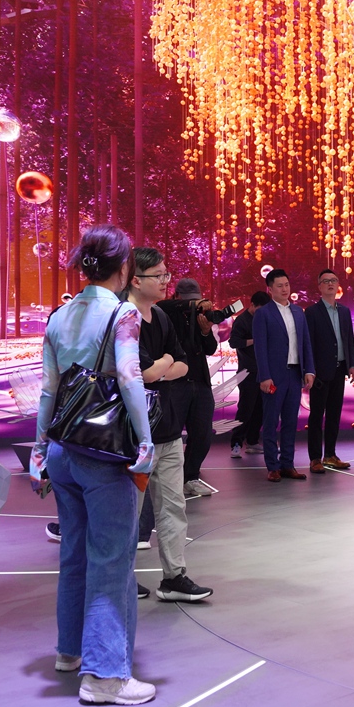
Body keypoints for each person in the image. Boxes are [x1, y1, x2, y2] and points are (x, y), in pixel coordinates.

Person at [32, 225, 156, 706]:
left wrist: (39, 449)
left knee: (75, 555)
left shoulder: (59, 315)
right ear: (124, 267)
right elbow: (128, 375)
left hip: (62, 449)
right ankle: (105, 677)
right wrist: (145, 440)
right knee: (112, 561)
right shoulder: (123, 313)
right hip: (102, 453)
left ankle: (70, 651)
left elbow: (48, 389)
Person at [127, 248, 213, 602]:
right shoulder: (124, 319)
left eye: (166, 274)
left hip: (168, 428)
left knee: (173, 507)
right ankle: (120, 576)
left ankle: (174, 576)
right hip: (134, 435)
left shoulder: (161, 316)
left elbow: (183, 364)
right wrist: (164, 365)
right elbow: (143, 373)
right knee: (129, 512)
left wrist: (160, 367)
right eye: (158, 276)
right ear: (136, 280)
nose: (165, 281)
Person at [252, 269, 315, 482]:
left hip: (295, 374)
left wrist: (309, 370)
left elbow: (306, 343)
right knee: (271, 421)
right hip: (273, 376)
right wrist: (264, 376)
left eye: (287, 284)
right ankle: (272, 466)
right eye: (279, 286)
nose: (284, 289)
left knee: (290, 421)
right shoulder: (263, 313)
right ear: (270, 289)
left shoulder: (298, 312)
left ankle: (288, 464)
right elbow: (260, 348)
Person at [161, 277, 219, 499]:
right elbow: (163, 305)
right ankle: (170, 479)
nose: (194, 304)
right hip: (175, 384)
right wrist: (190, 306)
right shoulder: (166, 313)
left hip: (200, 382)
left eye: (196, 299)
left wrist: (205, 331)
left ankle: (191, 476)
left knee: (203, 433)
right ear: (178, 297)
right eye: (189, 300)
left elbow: (210, 348)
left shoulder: (201, 316)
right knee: (171, 434)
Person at [304, 269, 354, 475]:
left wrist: (352, 364)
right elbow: (308, 344)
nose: (330, 284)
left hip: (339, 369)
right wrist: (309, 370)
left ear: (338, 285)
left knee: (334, 414)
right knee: (317, 415)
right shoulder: (312, 312)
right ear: (319, 286)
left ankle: (330, 455)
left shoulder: (344, 311)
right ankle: (315, 458)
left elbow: (349, 339)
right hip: (319, 372)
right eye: (326, 281)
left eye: (333, 280)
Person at [228, 290, 269, 457]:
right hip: (247, 372)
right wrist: (255, 341)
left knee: (260, 409)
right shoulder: (242, 320)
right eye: (259, 309)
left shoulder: (265, 319)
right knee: (245, 409)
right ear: (252, 305)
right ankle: (236, 443)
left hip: (263, 372)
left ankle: (252, 441)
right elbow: (233, 342)